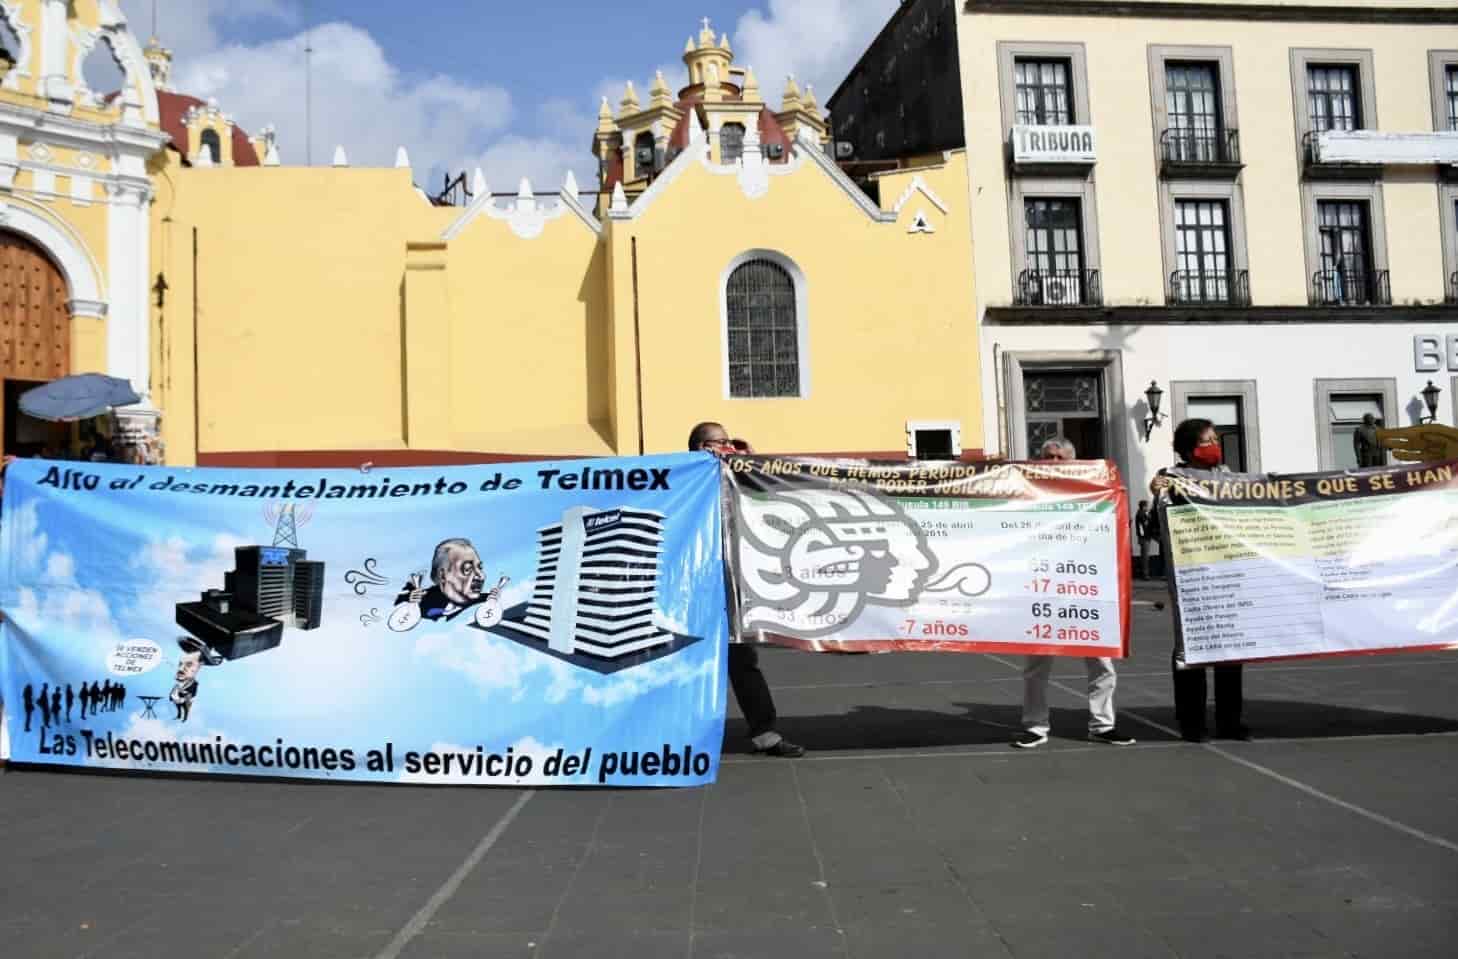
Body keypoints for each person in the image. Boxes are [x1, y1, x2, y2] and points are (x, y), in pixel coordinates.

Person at [690, 421, 805, 758]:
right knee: (688, 662)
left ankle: (765, 733)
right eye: (716, 442)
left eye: (728, 441)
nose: (724, 447)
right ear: (698, 447)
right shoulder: (687, 480)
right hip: (695, 586)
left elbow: (768, 498)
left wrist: (750, 464)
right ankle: (679, 736)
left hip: (730, 586)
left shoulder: (738, 477)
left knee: (742, 661)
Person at [1013, 437, 1134, 748]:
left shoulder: (1096, 492)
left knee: (1101, 661)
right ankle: (1035, 726)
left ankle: (1103, 725)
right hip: (1043, 584)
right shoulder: (1026, 493)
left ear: (1073, 461)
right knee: (1037, 664)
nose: (1052, 463)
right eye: (1047, 457)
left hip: (1087, 583)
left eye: (1059, 457)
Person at [1151, 418, 1250, 742]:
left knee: (1230, 650)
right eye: (1208, 440)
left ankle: (1230, 721)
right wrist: (1158, 494)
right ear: (1192, 448)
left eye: (1215, 439)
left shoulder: (1229, 478)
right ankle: (1192, 722)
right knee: (1191, 649)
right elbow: (1158, 524)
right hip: (1192, 574)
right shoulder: (1172, 479)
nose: (1215, 445)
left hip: (1226, 571)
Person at [1135, 499, 1153, 580]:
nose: (1148, 507)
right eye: (1147, 506)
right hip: (1144, 538)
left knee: (1144, 556)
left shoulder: (1141, 513)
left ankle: (1144, 573)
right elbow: (1146, 523)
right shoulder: (1141, 514)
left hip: (1143, 537)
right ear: (1144, 506)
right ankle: (1145, 574)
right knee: (1145, 557)